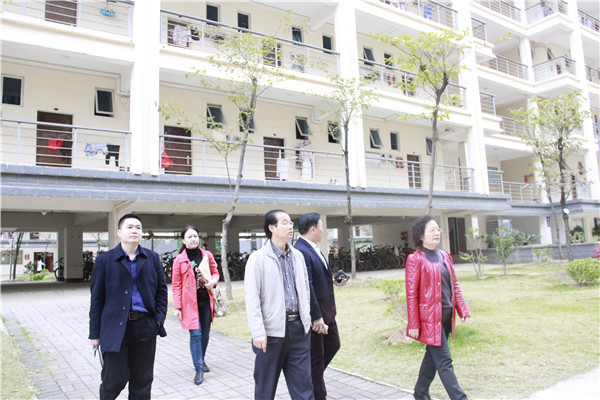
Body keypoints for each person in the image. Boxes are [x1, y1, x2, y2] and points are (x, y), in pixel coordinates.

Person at [89, 213, 168, 400]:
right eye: (129, 227)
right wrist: (95, 333)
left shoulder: (152, 258)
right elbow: (97, 299)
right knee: (114, 379)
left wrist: (158, 320)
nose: (134, 231)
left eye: (138, 228)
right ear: (119, 232)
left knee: (142, 380)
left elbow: (161, 291)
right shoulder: (104, 261)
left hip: (145, 326)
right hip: (115, 327)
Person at [245, 209, 314, 400]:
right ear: (272, 228)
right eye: (284, 222)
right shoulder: (258, 259)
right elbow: (252, 299)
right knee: (265, 389)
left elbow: (305, 291)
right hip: (271, 334)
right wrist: (258, 332)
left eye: (290, 222)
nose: (290, 226)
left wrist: (307, 320)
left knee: (304, 388)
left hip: (298, 330)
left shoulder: (298, 256)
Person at [405, 214, 470, 400]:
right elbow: (412, 294)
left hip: (447, 315)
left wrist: (462, 309)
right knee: (444, 360)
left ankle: (420, 393)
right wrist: (414, 323)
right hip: (430, 319)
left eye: (438, 229)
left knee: (431, 359)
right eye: (432, 230)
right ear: (421, 235)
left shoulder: (445, 256)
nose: (436, 233)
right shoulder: (415, 259)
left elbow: (454, 285)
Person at [295, 212, 346, 400]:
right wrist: (316, 317)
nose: (324, 230)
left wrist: (332, 280)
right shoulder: (301, 251)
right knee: (316, 359)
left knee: (333, 345)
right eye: (321, 226)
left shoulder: (313, 248)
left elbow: (316, 277)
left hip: (327, 312)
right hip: (317, 316)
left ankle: (308, 379)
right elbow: (306, 287)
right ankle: (316, 392)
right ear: (313, 229)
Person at [171, 225, 220, 385]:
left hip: (206, 300)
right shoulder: (179, 260)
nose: (193, 239)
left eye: (195, 236)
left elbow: (215, 271)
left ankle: (201, 358)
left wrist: (213, 280)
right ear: (183, 241)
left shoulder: (207, 255)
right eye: (189, 237)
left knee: (205, 334)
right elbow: (176, 285)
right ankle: (198, 368)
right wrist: (177, 306)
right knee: (196, 335)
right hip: (189, 303)